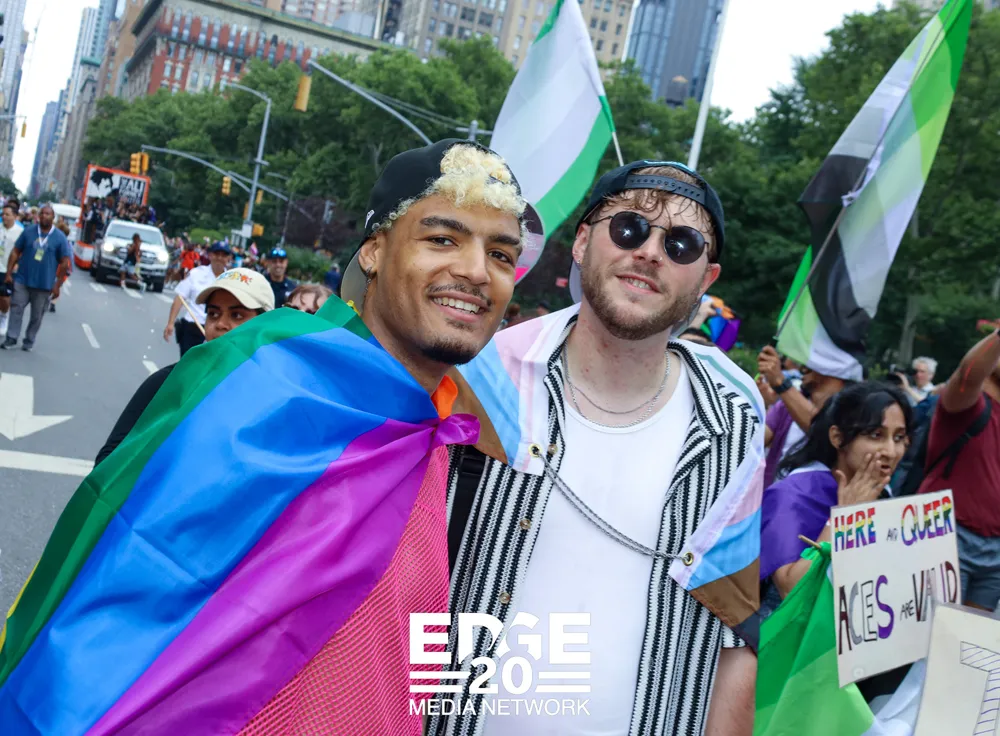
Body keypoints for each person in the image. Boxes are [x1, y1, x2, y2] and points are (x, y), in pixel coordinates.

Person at [437, 161, 763, 736]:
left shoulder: (733, 420)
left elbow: (734, 630)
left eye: (682, 244)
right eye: (629, 228)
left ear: (706, 279)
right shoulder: (481, 378)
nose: (651, 253)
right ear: (583, 241)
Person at [96, 268, 275, 465]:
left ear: (265, 324)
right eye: (213, 314)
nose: (220, 324)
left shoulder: (277, 398)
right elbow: (109, 461)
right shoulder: (168, 383)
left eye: (237, 315)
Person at [760, 382, 912, 599]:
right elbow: (791, 589)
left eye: (898, 438)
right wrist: (845, 517)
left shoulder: (882, 491)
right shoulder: (791, 495)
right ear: (838, 438)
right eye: (876, 435)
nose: (891, 451)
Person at [918, 331, 1000, 611]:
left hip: (995, 552)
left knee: (969, 637)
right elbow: (968, 374)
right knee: (934, 634)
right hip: (948, 536)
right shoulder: (966, 404)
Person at [757, 345, 848, 488]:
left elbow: (822, 432)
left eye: (813, 360)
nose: (803, 366)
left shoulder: (851, 413)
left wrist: (780, 382)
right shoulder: (786, 406)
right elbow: (757, 439)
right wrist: (755, 403)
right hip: (775, 496)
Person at [2, 203, 72, 352]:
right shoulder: (29, 231)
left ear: (53, 217)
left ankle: (29, 340)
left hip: (44, 284)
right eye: (42, 213)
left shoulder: (59, 237)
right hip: (22, 279)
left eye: (47, 214)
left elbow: (64, 263)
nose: (44, 216)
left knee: (37, 316)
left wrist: (57, 285)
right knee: (16, 308)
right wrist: (9, 273)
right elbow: (15, 251)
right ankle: (11, 337)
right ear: (38, 216)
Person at [163, 242, 231, 356]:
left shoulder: (231, 279)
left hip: (218, 332)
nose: (219, 258)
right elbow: (180, 298)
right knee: (189, 364)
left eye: (223, 255)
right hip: (193, 327)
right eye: (216, 254)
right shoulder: (196, 273)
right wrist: (170, 323)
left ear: (228, 258)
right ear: (210, 255)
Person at [0, 202, 24, 336]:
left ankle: (4, 316)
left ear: (15, 216)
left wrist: (17, 265)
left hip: (8, 269)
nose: (4, 217)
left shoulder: (20, 232)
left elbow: (23, 252)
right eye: (3, 214)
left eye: (7, 214)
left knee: (4, 297)